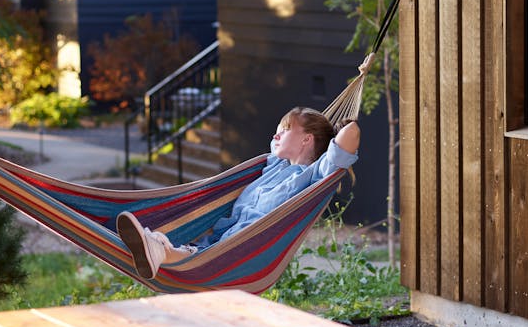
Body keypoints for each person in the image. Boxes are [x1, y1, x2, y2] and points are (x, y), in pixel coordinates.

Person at [116, 107, 360, 280]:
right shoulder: (273, 165)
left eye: (284, 130)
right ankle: (157, 246)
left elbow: (349, 137)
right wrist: (287, 131)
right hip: (221, 241)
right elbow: (275, 146)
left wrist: (346, 120)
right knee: (193, 249)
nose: (275, 136)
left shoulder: (314, 175)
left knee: (196, 257)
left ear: (307, 139)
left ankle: (161, 250)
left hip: (244, 249)